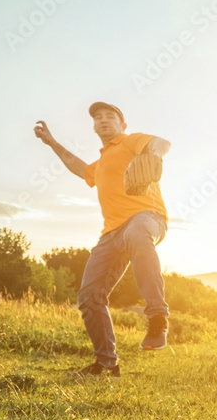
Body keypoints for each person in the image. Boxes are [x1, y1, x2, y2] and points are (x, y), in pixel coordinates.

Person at [34, 102, 172, 377]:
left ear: (122, 125)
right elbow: (79, 168)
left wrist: (152, 155)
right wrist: (51, 142)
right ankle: (107, 364)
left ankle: (157, 317)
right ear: (94, 127)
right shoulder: (102, 161)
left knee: (136, 233)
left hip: (147, 217)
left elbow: (161, 144)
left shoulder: (131, 142)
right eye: (98, 118)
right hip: (111, 233)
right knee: (89, 296)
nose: (103, 120)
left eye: (110, 116)